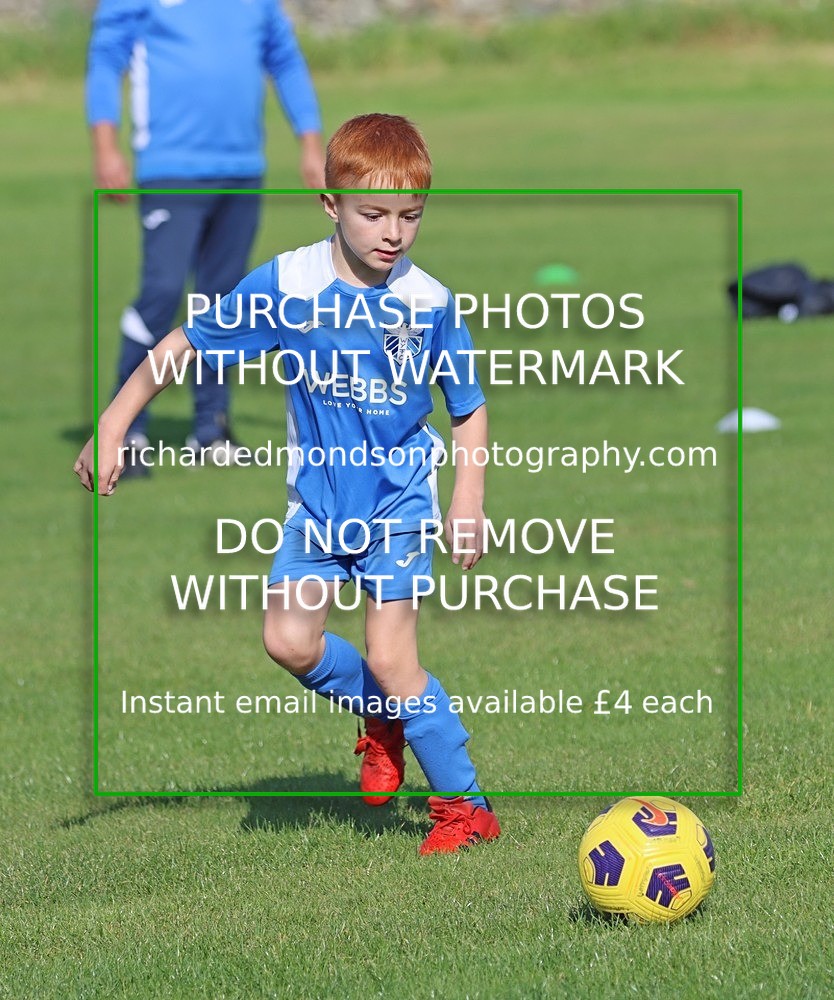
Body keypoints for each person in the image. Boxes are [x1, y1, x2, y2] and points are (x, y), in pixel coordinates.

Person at [75, 113, 500, 855]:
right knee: (289, 640)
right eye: (373, 214)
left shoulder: (429, 302)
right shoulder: (287, 284)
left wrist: (468, 499)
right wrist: (114, 424)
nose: (392, 233)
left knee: (394, 655)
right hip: (317, 508)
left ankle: (466, 808)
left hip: (397, 502)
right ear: (331, 205)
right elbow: (184, 343)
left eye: (410, 217)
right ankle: (387, 717)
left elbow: (467, 406)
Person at [86, 0, 325, 474]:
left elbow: (285, 58)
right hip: (170, 168)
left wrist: (310, 143)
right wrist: (106, 147)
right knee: (162, 292)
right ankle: (125, 431)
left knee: (223, 304)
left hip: (241, 170)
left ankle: (211, 429)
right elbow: (106, 58)